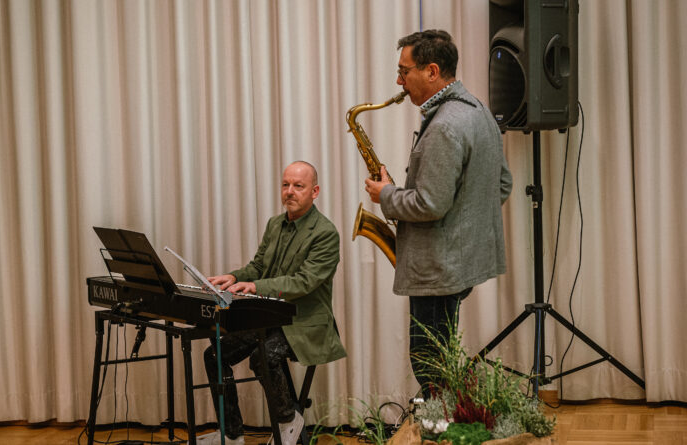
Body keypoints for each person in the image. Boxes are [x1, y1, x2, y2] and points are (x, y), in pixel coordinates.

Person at [364, 30, 512, 397]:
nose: (398, 81)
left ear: (432, 71)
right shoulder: (479, 112)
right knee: (441, 355)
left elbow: (429, 205)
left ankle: (442, 427)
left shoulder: (446, 125)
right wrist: (464, 228)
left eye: (404, 71)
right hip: (457, 263)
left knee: (429, 360)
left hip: (437, 265)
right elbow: (502, 184)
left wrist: (386, 195)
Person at [199, 161, 346, 445]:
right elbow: (257, 266)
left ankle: (288, 419)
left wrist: (256, 286)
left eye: (298, 186)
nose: (289, 192)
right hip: (269, 317)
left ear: (314, 191)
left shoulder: (325, 233)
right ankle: (231, 435)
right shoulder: (275, 224)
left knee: (264, 357)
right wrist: (233, 277)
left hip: (304, 323)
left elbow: (303, 282)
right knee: (214, 354)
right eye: (285, 184)